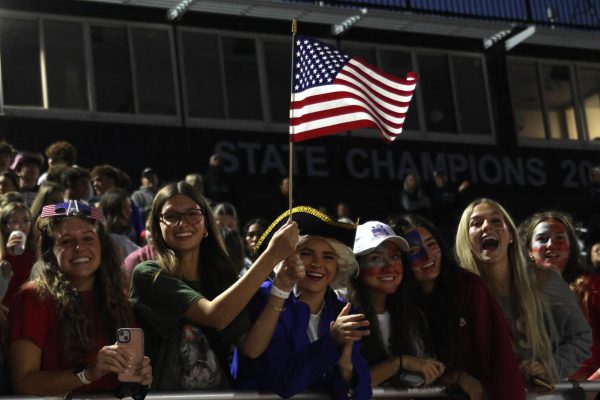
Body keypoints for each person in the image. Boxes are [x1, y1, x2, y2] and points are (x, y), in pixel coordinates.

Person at [129, 182, 299, 390]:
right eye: (172, 216)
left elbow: (252, 347)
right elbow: (214, 316)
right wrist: (271, 256)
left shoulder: (221, 278)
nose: (183, 223)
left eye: (192, 214)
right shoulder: (148, 275)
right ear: (157, 226)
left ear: (206, 224)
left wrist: (281, 287)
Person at [8, 200, 152, 395]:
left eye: (88, 239)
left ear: (102, 246)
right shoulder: (34, 297)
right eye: (66, 241)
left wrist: (141, 377)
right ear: (51, 252)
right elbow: (23, 382)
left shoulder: (118, 296)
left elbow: (119, 379)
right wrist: (88, 373)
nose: (79, 248)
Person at [233, 206, 372, 399]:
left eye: (328, 257)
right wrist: (331, 342)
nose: (317, 264)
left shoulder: (343, 311)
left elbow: (361, 393)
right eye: (306, 253)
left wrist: (346, 369)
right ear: (289, 257)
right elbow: (281, 381)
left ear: (339, 266)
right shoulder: (264, 298)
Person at [455, 198, 591, 385]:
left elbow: (580, 337)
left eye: (496, 221)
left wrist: (549, 368)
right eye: (476, 223)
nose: (487, 227)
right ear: (466, 239)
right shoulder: (457, 292)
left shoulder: (545, 280)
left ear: (511, 234)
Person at [391, 215, 525, 398]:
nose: (428, 255)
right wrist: (454, 377)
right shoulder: (393, 299)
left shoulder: (469, 288)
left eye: (432, 244)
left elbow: (500, 359)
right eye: (414, 250)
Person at [519, 211, 591, 284]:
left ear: (571, 248)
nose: (551, 245)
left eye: (559, 238)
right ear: (530, 251)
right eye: (542, 239)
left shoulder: (592, 288)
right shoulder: (515, 289)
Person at [0, 202, 36, 308]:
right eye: (14, 221)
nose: (20, 226)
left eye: (26, 221)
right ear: (5, 226)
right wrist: (9, 255)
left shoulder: (35, 252)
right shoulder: (3, 254)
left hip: (29, 309)